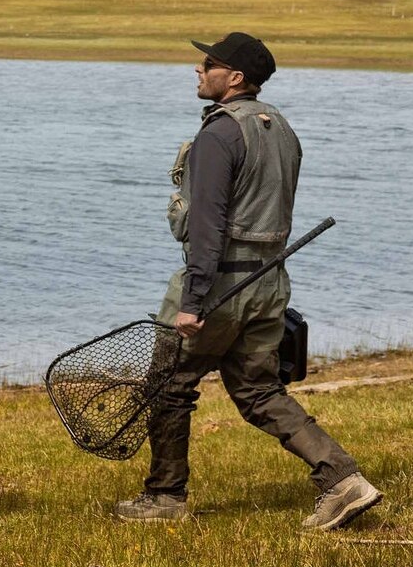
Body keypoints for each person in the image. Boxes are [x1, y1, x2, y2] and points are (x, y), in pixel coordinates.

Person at [114, 32, 381, 531]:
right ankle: (345, 480)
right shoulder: (280, 127)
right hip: (269, 282)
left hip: (219, 287)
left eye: (208, 64)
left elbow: (207, 225)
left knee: (169, 385)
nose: (198, 70)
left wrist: (193, 301)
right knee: (258, 391)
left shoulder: (219, 134)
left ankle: (165, 497)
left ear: (234, 78)